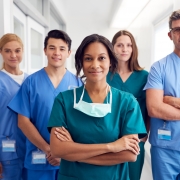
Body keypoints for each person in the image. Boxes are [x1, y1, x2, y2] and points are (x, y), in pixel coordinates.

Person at [47, 34, 147, 180]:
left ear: (111, 62)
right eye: (88, 58)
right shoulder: (64, 100)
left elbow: (129, 154)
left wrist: (73, 151)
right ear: (81, 62)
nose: (95, 65)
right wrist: (111, 147)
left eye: (101, 58)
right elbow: (57, 150)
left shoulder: (127, 102)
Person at [8, 30, 82, 180]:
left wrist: (63, 152)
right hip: (39, 158)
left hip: (68, 161)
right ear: (45, 51)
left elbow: (82, 123)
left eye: (62, 49)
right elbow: (23, 122)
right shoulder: (31, 82)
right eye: (52, 48)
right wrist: (49, 149)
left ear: (69, 53)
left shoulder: (78, 84)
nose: (57, 53)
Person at [107, 30, 149, 180]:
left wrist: (144, 136)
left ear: (133, 48)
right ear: (112, 48)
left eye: (129, 45)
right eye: (120, 45)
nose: (125, 49)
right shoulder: (105, 76)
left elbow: (149, 109)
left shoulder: (144, 76)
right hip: (109, 140)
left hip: (134, 141)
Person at [144, 9, 180, 180]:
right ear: (170, 35)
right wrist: (162, 102)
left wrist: (170, 100)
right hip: (165, 150)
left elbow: (161, 104)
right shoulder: (159, 67)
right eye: (177, 29)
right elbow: (154, 108)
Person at [0, 33, 28, 180]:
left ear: (22, 51)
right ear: (1, 52)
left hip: (31, 148)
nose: (13, 55)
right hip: (6, 151)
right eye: (7, 51)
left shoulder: (30, 80)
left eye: (17, 50)